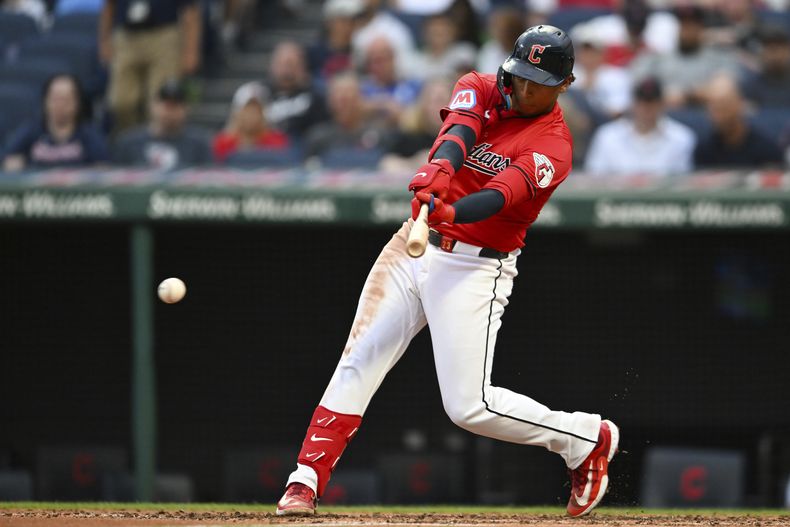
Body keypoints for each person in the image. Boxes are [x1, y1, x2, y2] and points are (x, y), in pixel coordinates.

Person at [276, 25, 619, 518]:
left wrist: (454, 212)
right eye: (521, 76)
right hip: (412, 246)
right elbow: (459, 131)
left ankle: (586, 438)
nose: (524, 89)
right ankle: (305, 479)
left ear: (563, 85)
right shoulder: (480, 85)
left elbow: (503, 195)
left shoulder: (554, 145)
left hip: (475, 266)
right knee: (360, 358)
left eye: (538, 82)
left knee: (469, 407)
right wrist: (437, 171)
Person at [99, 0, 202, 133]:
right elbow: (109, 6)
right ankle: (132, 141)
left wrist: (191, 52)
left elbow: (190, 10)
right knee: (120, 102)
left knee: (159, 101)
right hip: (126, 36)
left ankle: (154, 142)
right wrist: (104, 42)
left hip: (163, 35)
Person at [584, 77, 696, 177]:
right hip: (613, 198)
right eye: (641, 102)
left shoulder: (681, 137)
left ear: (662, 104)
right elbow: (594, 178)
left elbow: (682, 182)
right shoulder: (607, 136)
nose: (646, 108)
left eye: (652, 102)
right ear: (633, 103)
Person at [630, 5, 737, 109]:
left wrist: (685, 95)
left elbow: (723, 90)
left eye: (692, 25)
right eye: (683, 24)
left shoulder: (718, 57)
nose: (686, 30)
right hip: (667, 119)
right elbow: (639, 83)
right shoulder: (659, 57)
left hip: (707, 117)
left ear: (701, 28)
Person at [3, 74, 108, 172]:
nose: (60, 105)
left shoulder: (89, 134)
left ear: (77, 103)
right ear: (45, 101)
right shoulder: (31, 131)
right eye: (55, 99)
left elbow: (102, 167)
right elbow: (8, 160)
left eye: (66, 100)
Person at [112, 78, 212, 171]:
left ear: (186, 109)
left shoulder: (199, 144)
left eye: (176, 106)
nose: (170, 112)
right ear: (152, 105)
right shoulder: (129, 143)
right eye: (166, 105)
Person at [694, 74, 784, 169]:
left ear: (740, 105)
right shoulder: (703, 150)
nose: (719, 115)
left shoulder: (767, 149)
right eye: (713, 107)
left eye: (724, 106)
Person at [303, 72, 391, 163]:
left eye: (350, 97)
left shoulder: (380, 134)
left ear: (360, 99)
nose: (344, 102)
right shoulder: (318, 138)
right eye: (339, 98)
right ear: (330, 102)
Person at [212, 81, 291, 163]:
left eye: (257, 111)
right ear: (236, 113)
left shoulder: (277, 142)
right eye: (247, 110)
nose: (251, 116)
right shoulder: (222, 143)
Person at [265, 41, 330, 139]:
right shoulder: (260, 94)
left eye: (291, 64)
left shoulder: (316, 98)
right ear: (272, 66)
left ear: (302, 67)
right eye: (282, 64)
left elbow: (321, 131)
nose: (287, 70)